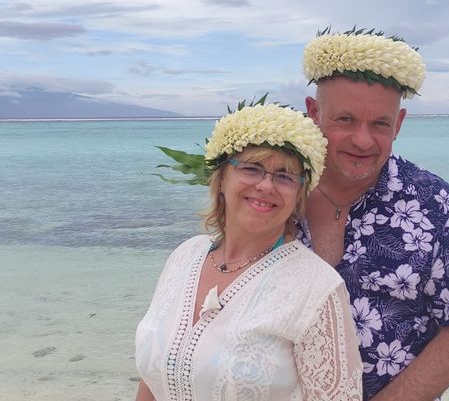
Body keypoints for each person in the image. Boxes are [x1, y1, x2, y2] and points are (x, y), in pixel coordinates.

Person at [299, 28, 449, 400]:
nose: (363, 140)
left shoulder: (433, 203)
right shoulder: (278, 191)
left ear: (398, 124)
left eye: (379, 124)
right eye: (346, 120)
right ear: (314, 112)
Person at [135, 103, 363, 400]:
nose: (266, 186)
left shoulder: (316, 288)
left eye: (285, 176)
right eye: (252, 168)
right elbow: (152, 381)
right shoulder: (184, 256)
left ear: (298, 196)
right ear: (221, 179)